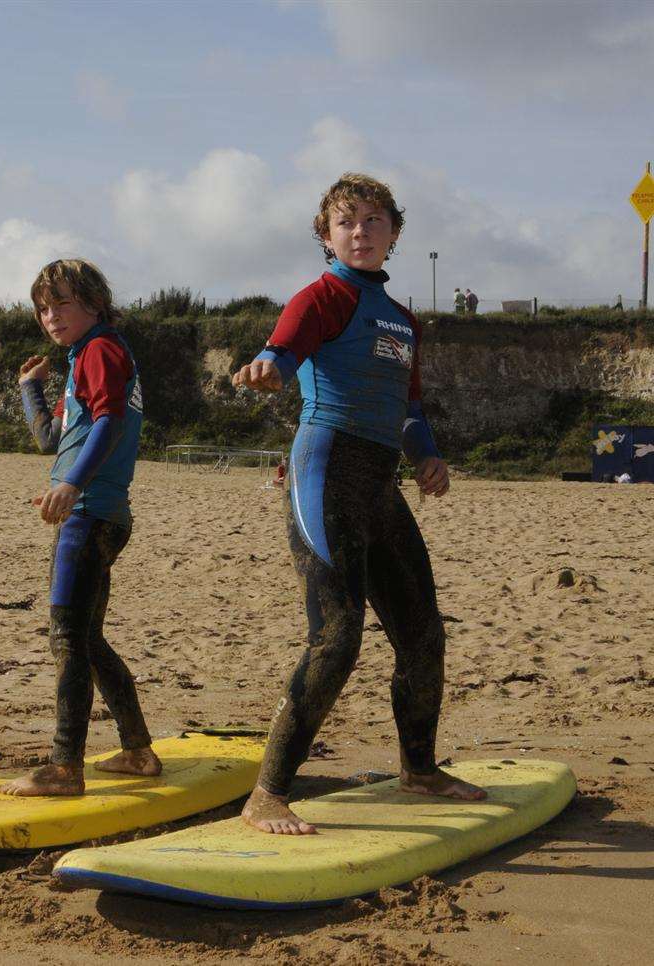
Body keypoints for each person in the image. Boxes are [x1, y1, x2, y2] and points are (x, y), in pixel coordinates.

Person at [230, 172, 486, 834]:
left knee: (424, 634)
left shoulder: (402, 322)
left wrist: (426, 456)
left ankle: (419, 770)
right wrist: (267, 369)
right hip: (325, 473)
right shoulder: (321, 296)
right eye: (347, 222)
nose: (361, 231)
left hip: (380, 485)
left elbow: (408, 408)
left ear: (394, 234)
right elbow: (282, 351)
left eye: (374, 221)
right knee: (337, 639)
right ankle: (267, 793)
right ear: (327, 236)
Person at [0, 258, 160, 797]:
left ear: (94, 302)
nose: (50, 315)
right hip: (101, 514)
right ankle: (137, 751)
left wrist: (70, 485)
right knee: (86, 638)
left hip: (89, 513)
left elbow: (111, 421)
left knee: (67, 638)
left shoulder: (100, 350)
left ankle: (65, 766)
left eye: (62, 302)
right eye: (43, 308)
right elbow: (52, 439)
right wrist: (30, 388)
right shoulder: (87, 360)